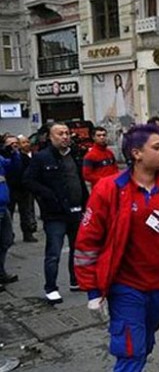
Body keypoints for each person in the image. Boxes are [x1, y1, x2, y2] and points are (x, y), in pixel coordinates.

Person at [74, 124, 159, 371]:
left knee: (145, 340)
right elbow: (87, 243)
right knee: (130, 350)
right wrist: (92, 290)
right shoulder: (109, 189)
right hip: (126, 286)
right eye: (157, 147)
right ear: (136, 153)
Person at [23, 122, 90, 304]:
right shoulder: (42, 158)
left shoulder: (74, 155)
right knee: (54, 252)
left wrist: (86, 203)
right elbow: (28, 180)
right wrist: (48, 196)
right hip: (55, 215)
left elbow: (79, 182)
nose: (65, 137)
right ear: (51, 137)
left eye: (67, 133)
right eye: (60, 134)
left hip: (76, 211)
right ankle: (51, 288)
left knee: (77, 249)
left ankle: (75, 280)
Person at [6, 135, 38, 242]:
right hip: (9, 189)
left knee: (26, 212)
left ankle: (28, 233)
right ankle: (9, 236)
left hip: (23, 189)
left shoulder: (24, 158)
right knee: (8, 214)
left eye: (16, 143)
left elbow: (31, 171)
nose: (14, 145)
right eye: (11, 144)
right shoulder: (5, 157)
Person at [0, 138, 21, 290]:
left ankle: (1, 272)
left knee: (6, 240)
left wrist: (13, 153)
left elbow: (14, 167)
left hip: (3, 206)